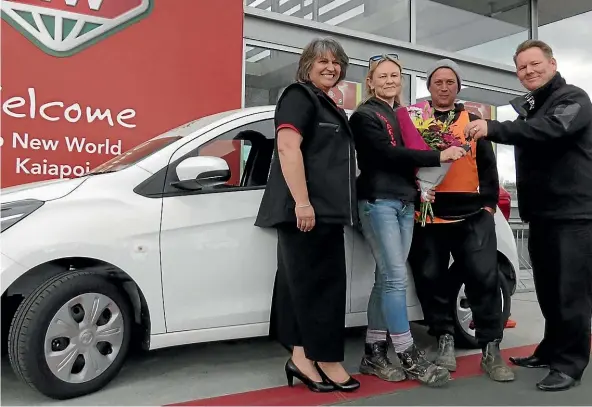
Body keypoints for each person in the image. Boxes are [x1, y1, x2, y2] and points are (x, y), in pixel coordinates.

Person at [465, 39, 592, 392]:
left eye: (535, 64)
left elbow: (553, 130)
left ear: (552, 64)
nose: (529, 71)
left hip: (573, 215)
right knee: (549, 290)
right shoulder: (532, 110)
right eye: (522, 68)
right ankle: (551, 349)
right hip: (543, 215)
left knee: (571, 293)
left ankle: (570, 363)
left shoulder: (573, 99)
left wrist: (492, 127)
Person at [350, 54, 466, 387]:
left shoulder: (401, 115)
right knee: (396, 278)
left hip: (403, 203)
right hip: (378, 202)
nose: (389, 80)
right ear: (370, 82)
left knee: (385, 278)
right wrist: (438, 155)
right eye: (382, 75)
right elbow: (385, 155)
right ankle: (407, 353)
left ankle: (373, 353)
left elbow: (406, 161)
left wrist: (420, 189)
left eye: (394, 75)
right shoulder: (364, 115)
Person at [254, 37, 360, 393]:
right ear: (307, 64)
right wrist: (302, 202)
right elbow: (287, 146)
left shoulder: (324, 102)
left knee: (301, 288)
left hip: (322, 213)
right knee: (324, 290)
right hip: (308, 212)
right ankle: (327, 359)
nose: (331, 67)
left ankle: (300, 358)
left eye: (337, 62)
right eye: (323, 61)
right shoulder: (299, 96)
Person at [406, 59, 515, 382]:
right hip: (429, 213)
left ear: (458, 87)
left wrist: (489, 208)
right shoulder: (416, 122)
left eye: (449, 82)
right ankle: (444, 339)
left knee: (483, 278)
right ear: (428, 87)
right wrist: (417, 198)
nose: (443, 87)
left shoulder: (474, 121)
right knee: (431, 279)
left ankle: (491, 348)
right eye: (437, 82)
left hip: (472, 214)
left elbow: (488, 169)